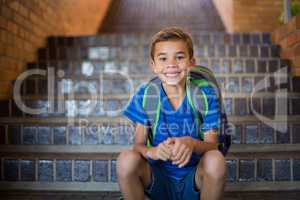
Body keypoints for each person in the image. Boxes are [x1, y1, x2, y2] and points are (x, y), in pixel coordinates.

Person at [116, 27, 226, 200]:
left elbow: (213, 145)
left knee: (216, 160)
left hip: (194, 180)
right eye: (163, 58)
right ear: (153, 65)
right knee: (126, 159)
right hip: (157, 180)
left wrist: (192, 144)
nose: (171, 64)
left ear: (192, 62)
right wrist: (152, 152)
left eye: (180, 57)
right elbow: (138, 145)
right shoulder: (147, 95)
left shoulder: (205, 94)